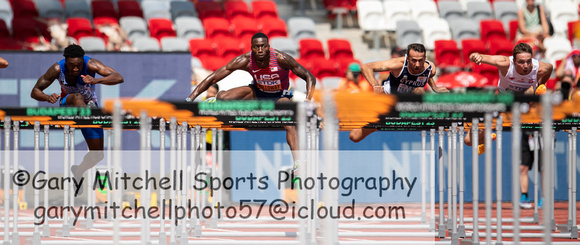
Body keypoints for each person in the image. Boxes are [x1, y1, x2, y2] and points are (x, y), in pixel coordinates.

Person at [185, 33, 316, 171]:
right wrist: (190, 98)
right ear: (252, 48)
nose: (260, 50)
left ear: (268, 47)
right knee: (223, 97)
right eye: (257, 47)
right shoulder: (245, 60)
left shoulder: (281, 59)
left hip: (279, 97)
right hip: (257, 93)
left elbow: (310, 77)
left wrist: (308, 99)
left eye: (263, 46)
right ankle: (214, 102)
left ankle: (298, 161)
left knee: (289, 121)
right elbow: (213, 78)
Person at [30, 44, 124, 195]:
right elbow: (35, 91)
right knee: (78, 97)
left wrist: (96, 81)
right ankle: (86, 113)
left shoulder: (91, 64)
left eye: (79, 65)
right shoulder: (56, 69)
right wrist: (48, 97)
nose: (75, 69)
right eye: (72, 65)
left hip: (89, 110)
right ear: (65, 61)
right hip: (68, 104)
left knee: (97, 155)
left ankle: (78, 171)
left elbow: (119, 77)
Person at [469, 42, 553, 208]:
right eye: (521, 62)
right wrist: (475, 57)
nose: (526, 65)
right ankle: (486, 138)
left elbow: (549, 68)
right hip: (502, 103)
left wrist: (539, 84)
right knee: (468, 140)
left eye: (528, 61)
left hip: (524, 104)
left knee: (534, 92)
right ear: (513, 61)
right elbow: (478, 56)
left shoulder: (540, 67)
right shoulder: (504, 63)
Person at [348, 43, 449, 143]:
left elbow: (427, 76)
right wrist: (375, 85)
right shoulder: (398, 64)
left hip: (406, 107)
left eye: (420, 60)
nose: (417, 64)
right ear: (407, 58)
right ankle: (382, 121)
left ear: (425, 58)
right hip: (387, 104)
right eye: (414, 60)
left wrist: (435, 87)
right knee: (354, 137)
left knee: (419, 90)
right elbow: (365, 67)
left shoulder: (431, 69)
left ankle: (421, 119)